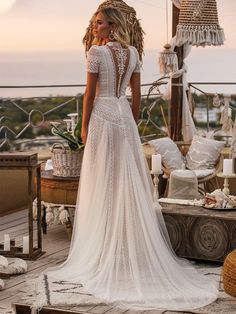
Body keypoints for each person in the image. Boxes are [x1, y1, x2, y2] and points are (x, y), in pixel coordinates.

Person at [32, 7, 218, 312]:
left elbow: (90, 94)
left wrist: (83, 127)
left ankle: (105, 248)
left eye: (100, 23)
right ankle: (121, 246)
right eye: (94, 23)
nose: (95, 27)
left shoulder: (96, 52)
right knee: (125, 180)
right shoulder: (133, 53)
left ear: (113, 25)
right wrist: (129, 123)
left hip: (103, 118)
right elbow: (135, 98)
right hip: (123, 120)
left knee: (101, 180)